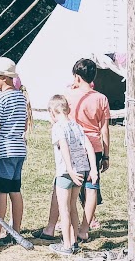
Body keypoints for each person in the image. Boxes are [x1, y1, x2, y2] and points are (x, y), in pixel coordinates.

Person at [39, 58, 110, 240]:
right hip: (93, 146)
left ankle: (51, 227)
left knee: (61, 186)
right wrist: (106, 154)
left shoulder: (68, 95)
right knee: (91, 187)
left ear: (77, 77)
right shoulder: (101, 98)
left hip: (71, 146)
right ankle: (84, 229)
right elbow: (104, 128)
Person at [0, 57, 29, 246]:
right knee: (15, 190)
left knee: (1, 193)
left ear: (4, 78)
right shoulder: (21, 96)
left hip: (3, 150)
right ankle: (16, 231)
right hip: (19, 148)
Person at [47, 95, 93, 256]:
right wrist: (92, 169)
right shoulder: (77, 126)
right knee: (73, 206)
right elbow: (89, 146)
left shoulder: (58, 127)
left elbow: (64, 147)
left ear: (53, 112)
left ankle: (66, 244)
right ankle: (74, 241)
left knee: (64, 209)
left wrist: (69, 169)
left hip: (66, 172)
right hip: (81, 170)